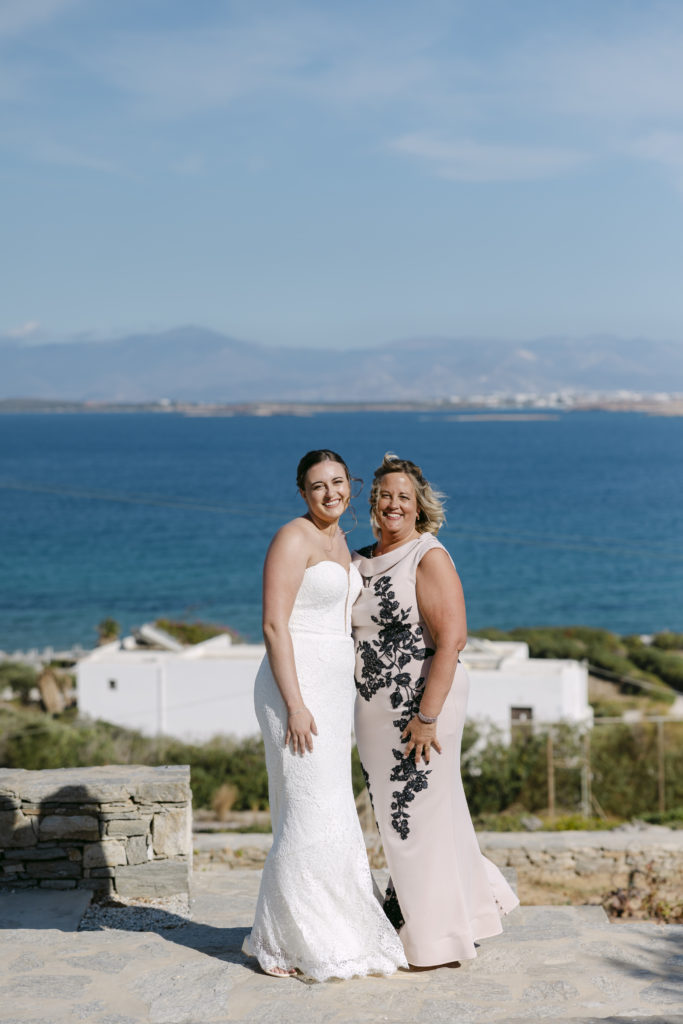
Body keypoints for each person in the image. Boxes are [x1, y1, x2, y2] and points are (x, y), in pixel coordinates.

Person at [243, 449, 407, 981]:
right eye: (318, 486)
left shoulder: (341, 543)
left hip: (335, 691)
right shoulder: (293, 537)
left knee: (333, 808)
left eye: (338, 482)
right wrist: (295, 704)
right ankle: (290, 941)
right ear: (302, 492)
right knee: (306, 811)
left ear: (350, 486)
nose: (330, 493)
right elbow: (274, 625)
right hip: (296, 688)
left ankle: (334, 929)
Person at [352, 453, 518, 968]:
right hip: (374, 711)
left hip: (423, 704)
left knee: (415, 819)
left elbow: (453, 640)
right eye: (385, 495)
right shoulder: (359, 559)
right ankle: (466, 914)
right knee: (403, 817)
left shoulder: (427, 555)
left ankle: (433, 939)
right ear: (373, 502)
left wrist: (426, 718)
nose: (393, 504)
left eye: (404, 496)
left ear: (419, 506)